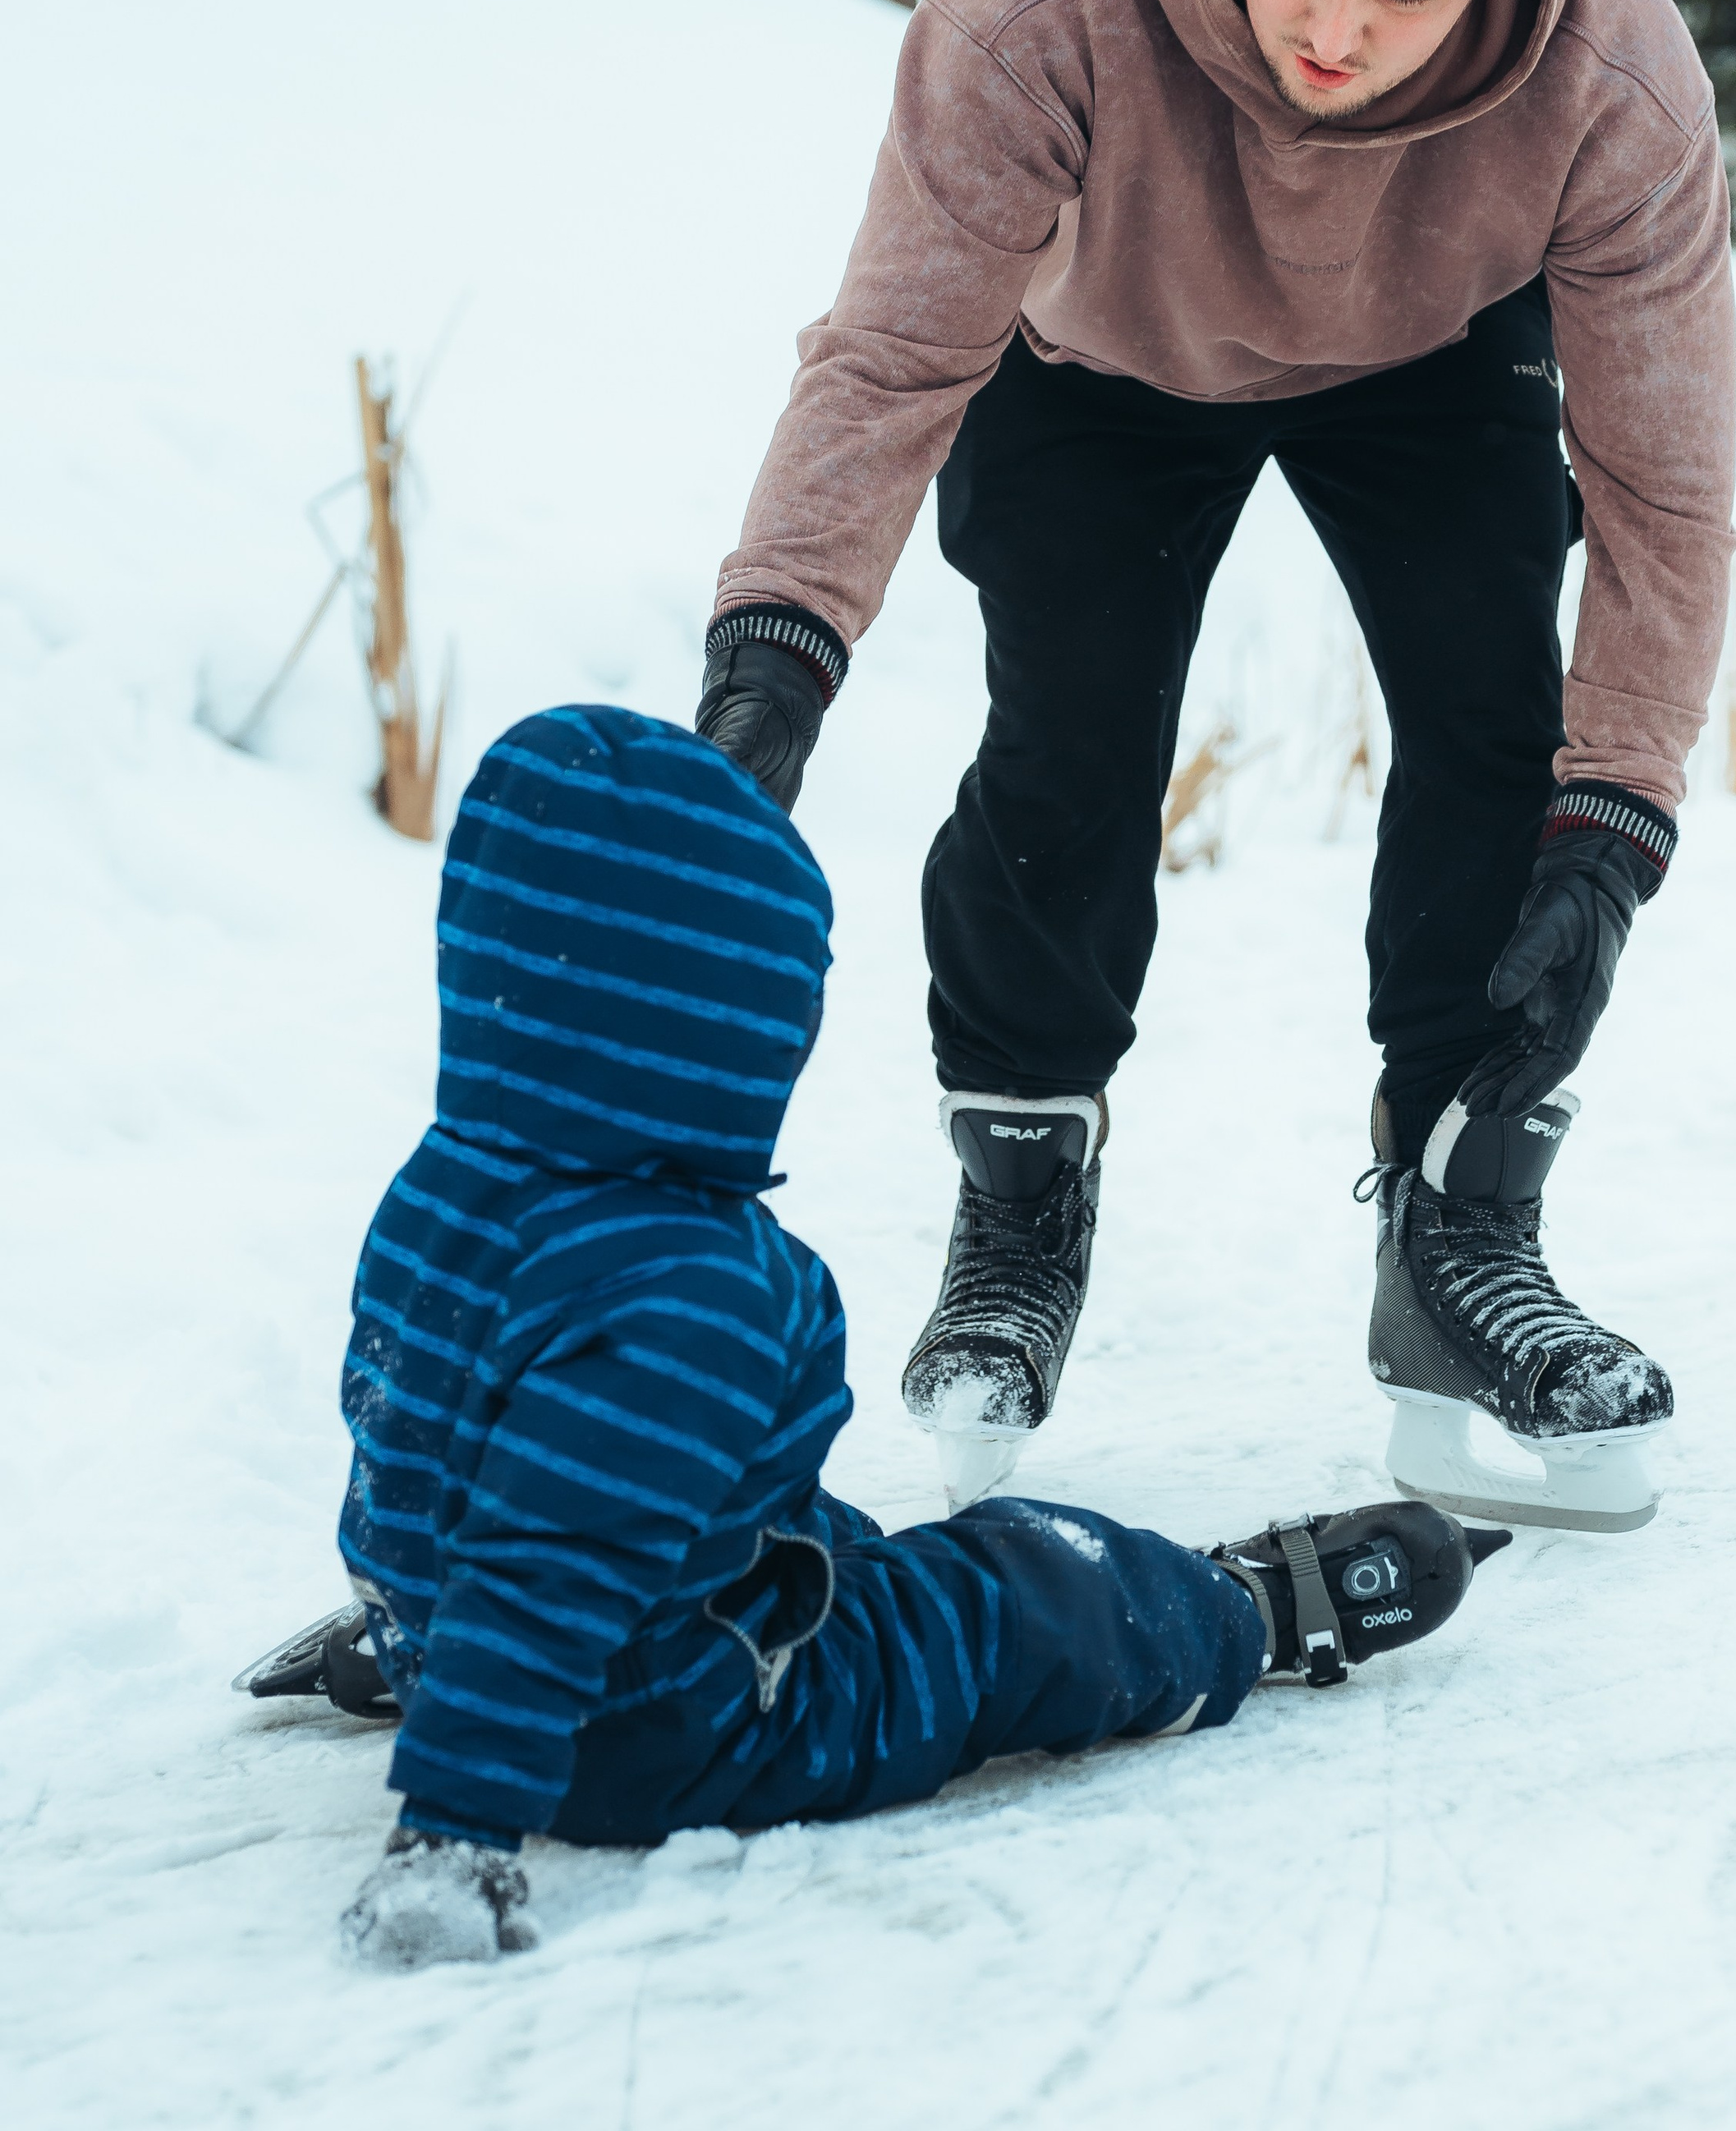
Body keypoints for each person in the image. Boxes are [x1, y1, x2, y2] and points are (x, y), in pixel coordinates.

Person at [696, 0, 1736, 1532]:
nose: (1334, 36)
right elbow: (887, 358)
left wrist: (1614, 831)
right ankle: (1017, 1208)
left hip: (1431, 348)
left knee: (1499, 724)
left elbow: (1665, 490)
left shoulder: (1609, 81)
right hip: (1094, 352)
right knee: (1071, 737)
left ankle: (1462, 1235)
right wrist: (769, 664)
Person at [250, 705, 1499, 1968]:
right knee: (999, 1594)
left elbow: (433, 1438)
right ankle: (1237, 1612)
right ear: (729, 1018)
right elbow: (550, 1563)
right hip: (681, 1728)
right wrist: (452, 1831)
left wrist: (429, 1632)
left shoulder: (448, 1188)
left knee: (764, 1523)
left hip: (475, 1628)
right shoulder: (695, 1287)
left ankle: (439, 1665)